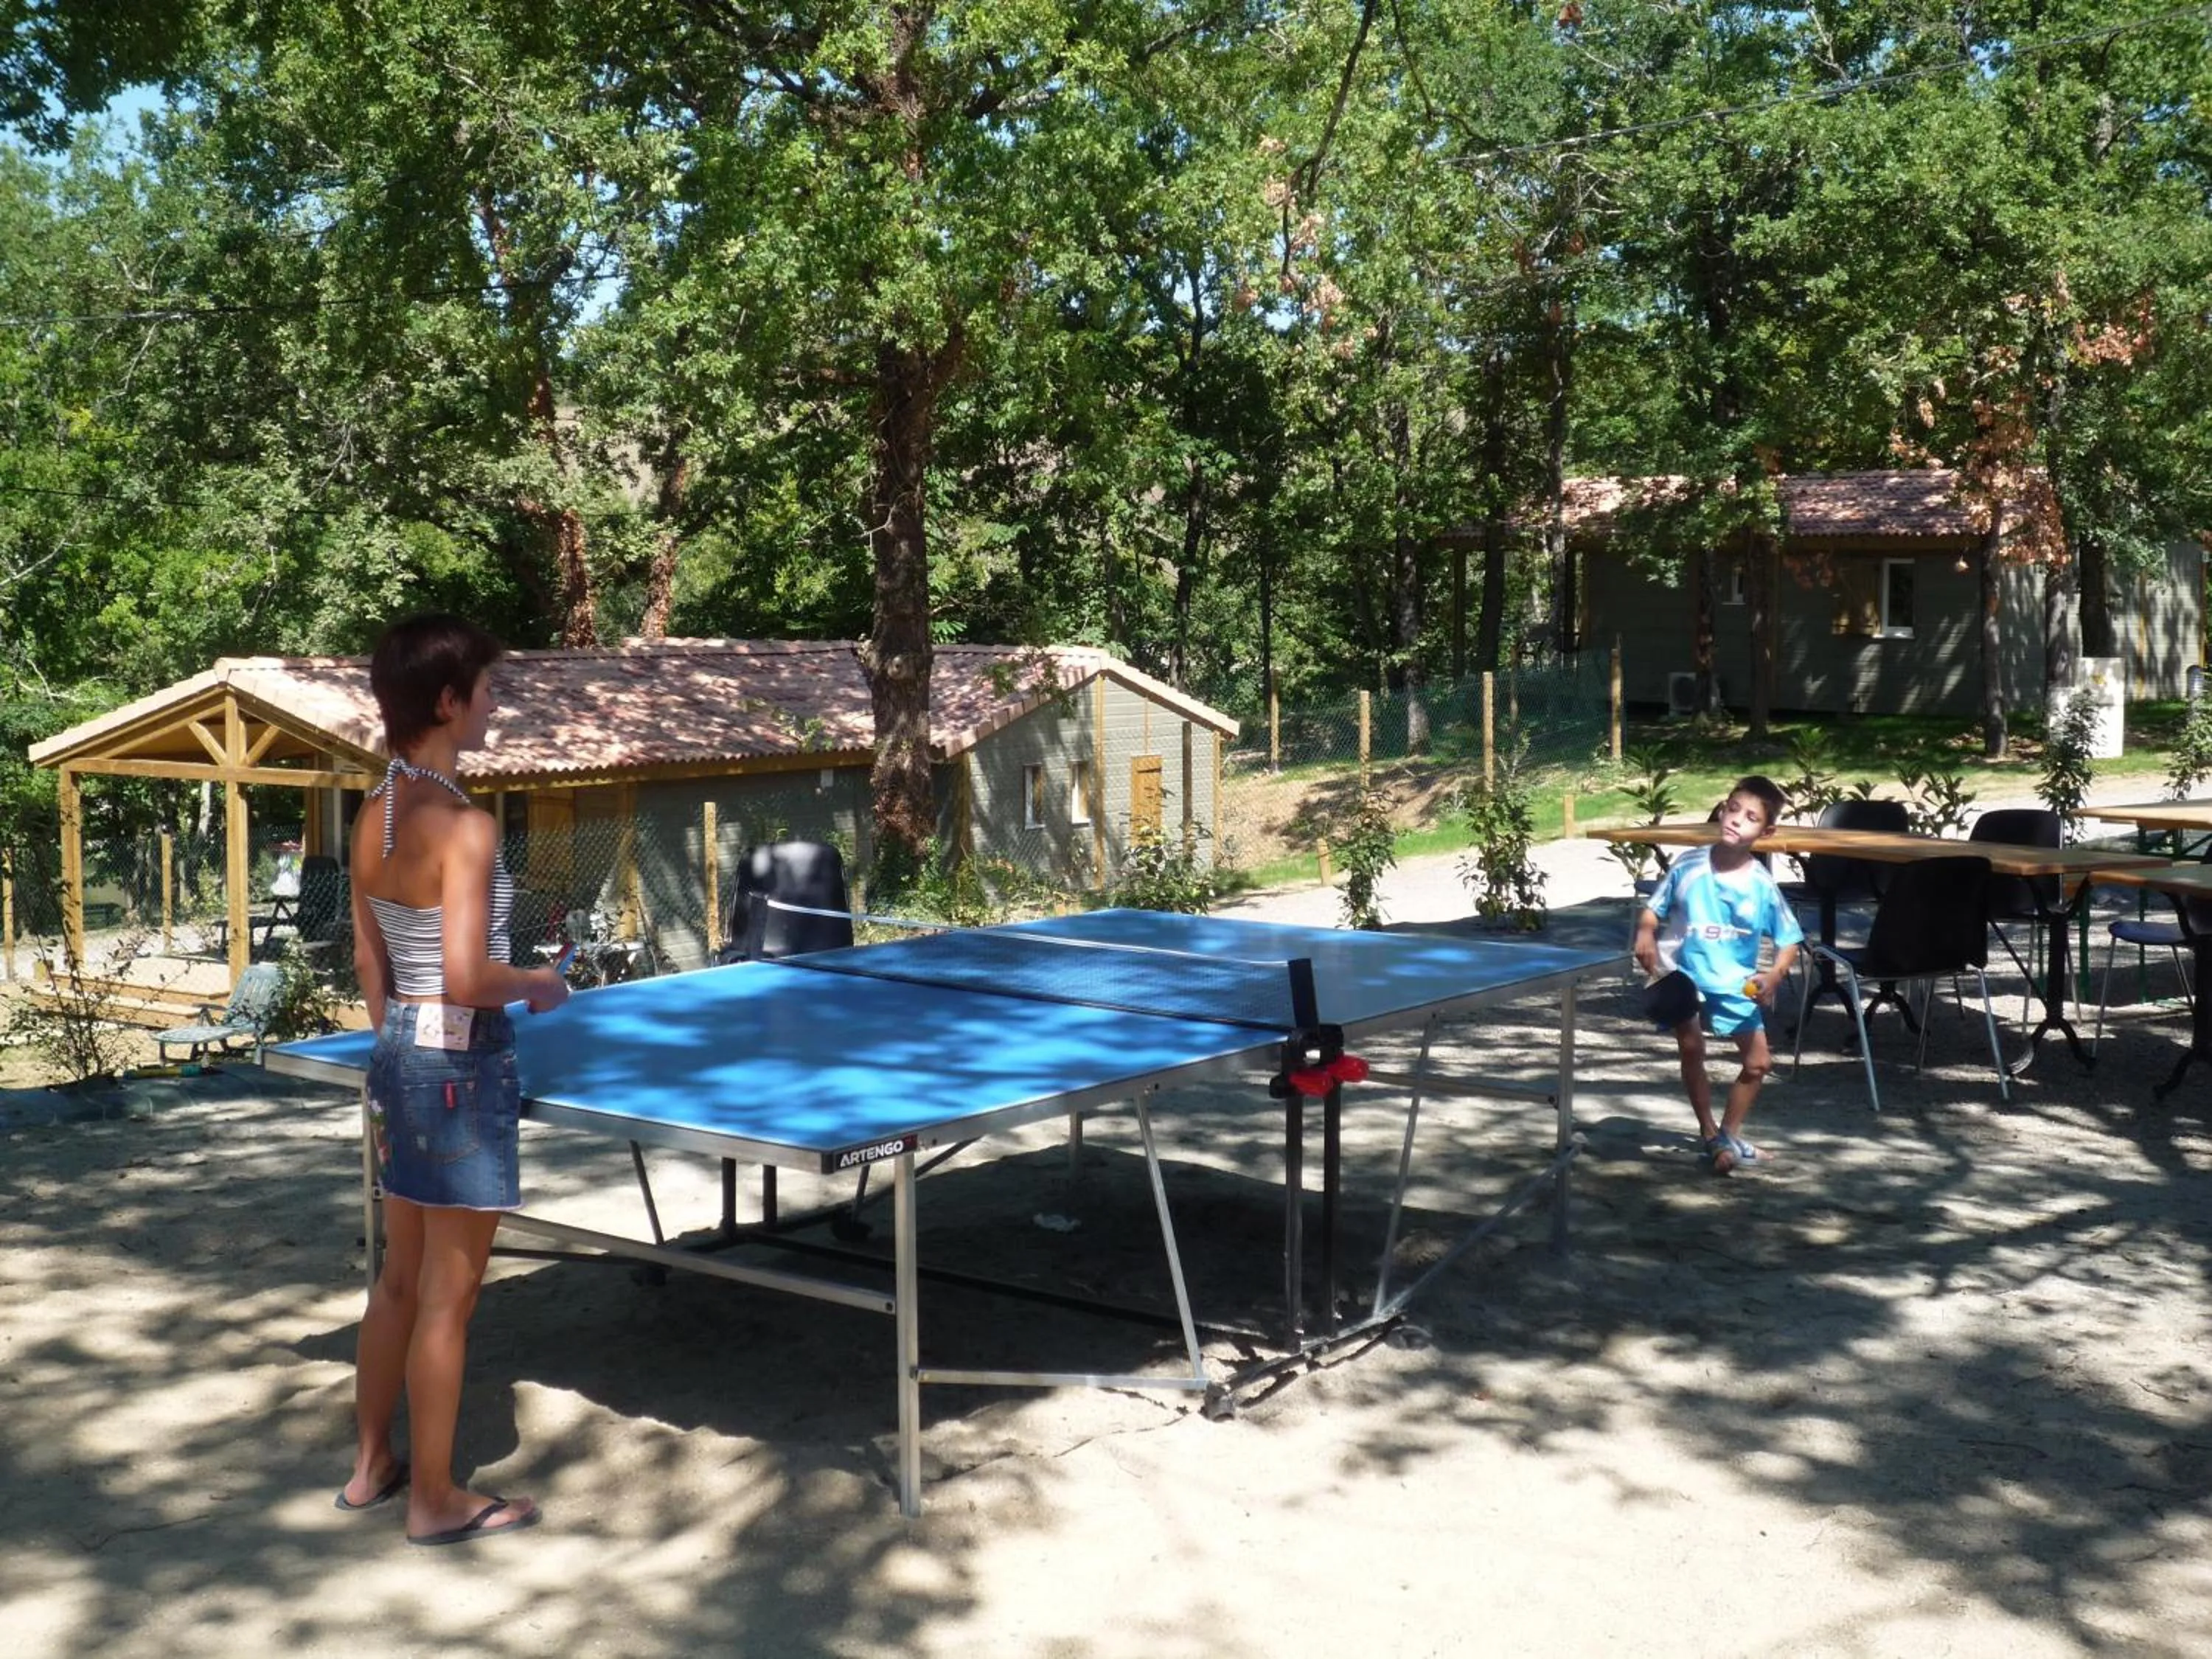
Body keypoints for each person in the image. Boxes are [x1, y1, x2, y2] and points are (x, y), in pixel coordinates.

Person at [334, 613, 569, 1545]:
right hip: (461, 1066)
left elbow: (367, 964)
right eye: (486, 687)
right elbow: (472, 977)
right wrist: (541, 985)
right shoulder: (464, 826)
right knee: (448, 1292)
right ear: (445, 701)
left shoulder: (373, 811)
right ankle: (433, 1499)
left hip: (396, 1054)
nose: (494, 701)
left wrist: (400, 1049)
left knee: (398, 1278)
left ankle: (370, 1467)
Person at [1632, 774, 1803, 1175]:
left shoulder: (1761, 885)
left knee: (1759, 1063)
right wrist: (1644, 933)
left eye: (1750, 817)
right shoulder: (1689, 864)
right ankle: (1710, 1134)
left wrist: (1776, 975)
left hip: (1733, 982)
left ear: (1767, 830)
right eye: (1732, 809)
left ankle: (1728, 1134)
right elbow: (1653, 909)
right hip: (1682, 974)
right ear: (1722, 810)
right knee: (1692, 1048)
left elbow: (1790, 939)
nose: (1736, 820)